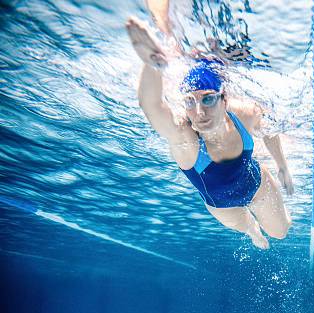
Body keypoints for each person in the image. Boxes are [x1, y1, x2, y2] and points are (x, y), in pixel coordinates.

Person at [125, 8, 293, 249]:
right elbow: (151, 105)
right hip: (223, 206)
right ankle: (252, 230)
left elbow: (268, 128)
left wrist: (282, 165)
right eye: (190, 102)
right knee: (248, 228)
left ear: (224, 100)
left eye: (208, 99)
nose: (199, 112)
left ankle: (261, 224)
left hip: (258, 185)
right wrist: (153, 63)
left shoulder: (244, 113)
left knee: (281, 232)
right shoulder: (185, 140)